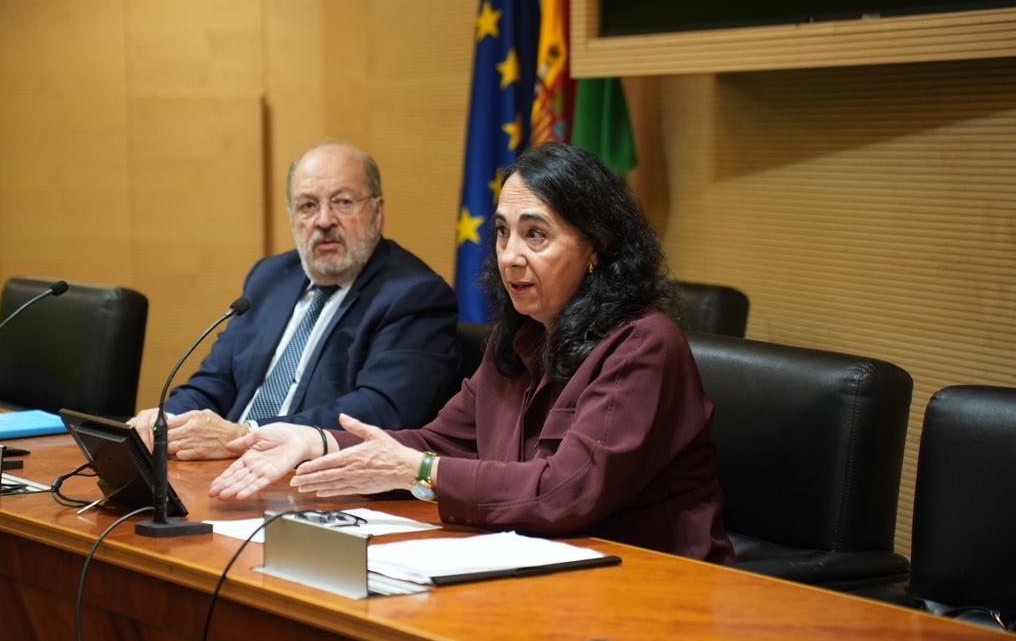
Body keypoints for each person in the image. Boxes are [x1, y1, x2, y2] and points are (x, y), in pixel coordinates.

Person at [209, 142, 734, 563]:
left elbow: (566, 490)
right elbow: (440, 442)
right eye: (503, 234)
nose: (510, 257)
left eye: (536, 236)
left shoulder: (642, 342)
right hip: (538, 564)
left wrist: (421, 473)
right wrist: (314, 440)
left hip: (651, 581)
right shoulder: (521, 337)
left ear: (595, 247)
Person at [131, 141, 461, 460]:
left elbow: (379, 411)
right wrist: (167, 421)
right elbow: (216, 382)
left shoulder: (414, 296)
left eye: (343, 202)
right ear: (292, 216)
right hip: (225, 468)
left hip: (315, 483)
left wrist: (245, 436)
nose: (324, 220)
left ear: (377, 211)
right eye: (307, 206)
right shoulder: (270, 277)